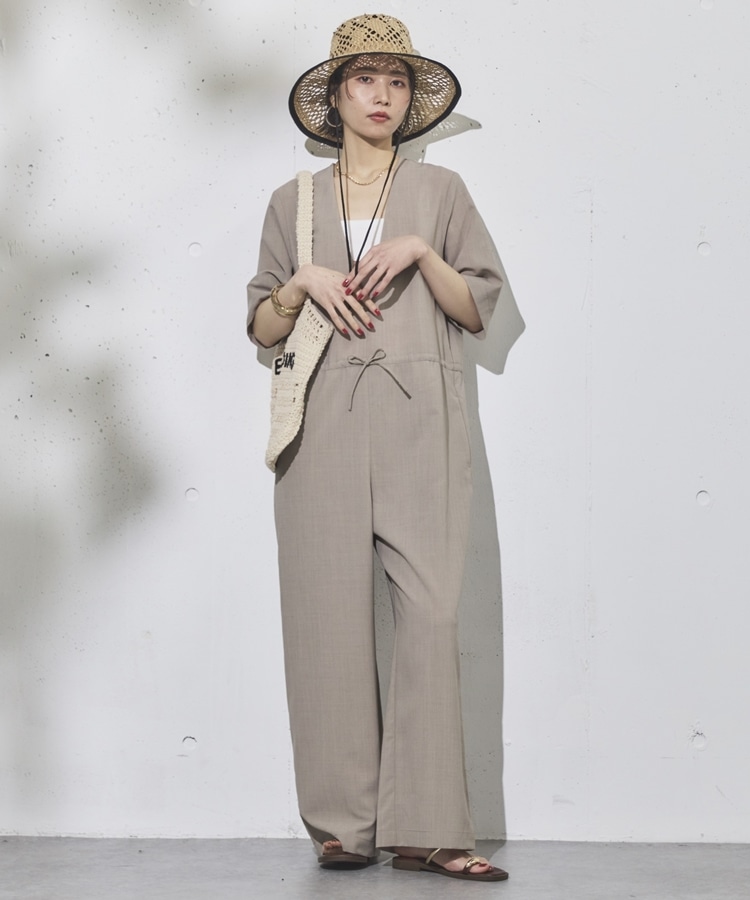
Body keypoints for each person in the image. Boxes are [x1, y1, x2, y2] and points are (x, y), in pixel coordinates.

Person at [246, 13, 509, 883]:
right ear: (335, 96)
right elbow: (261, 325)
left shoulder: (442, 192)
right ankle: (342, 826)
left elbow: (477, 310)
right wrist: (302, 280)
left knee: (432, 614)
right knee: (324, 617)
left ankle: (429, 829)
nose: (383, 96)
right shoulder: (293, 202)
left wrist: (422, 251)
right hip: (320, 422)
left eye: (397, 82)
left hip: (420, 419)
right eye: (366, 80)